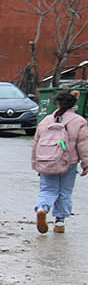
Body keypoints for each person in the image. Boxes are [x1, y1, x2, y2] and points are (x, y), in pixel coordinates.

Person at [32, 90, 88, 234]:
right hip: (68, 162)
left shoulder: (46, 120)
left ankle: (41, 209)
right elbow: (84, 144)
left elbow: (36, 143)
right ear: (74, 104)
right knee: (65, 191)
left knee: (47, 189)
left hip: (46, 161)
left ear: (57, 103)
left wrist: (35, 162)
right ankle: (60, 222)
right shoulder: (79, 121)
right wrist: (86, 163)